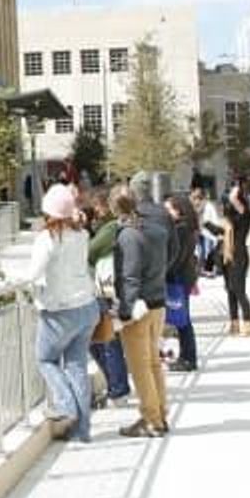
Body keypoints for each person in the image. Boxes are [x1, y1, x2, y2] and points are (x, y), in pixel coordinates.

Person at [28, 183, 97, 442]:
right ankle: (82, 431)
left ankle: (67, 408)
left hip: (60, 311)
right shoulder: (82, 236)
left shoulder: (47, 239)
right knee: (77, 365)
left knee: (45, 359)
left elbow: (33, 274)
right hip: (87, 307)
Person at [112, 187, 170, 438]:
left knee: (140, 366)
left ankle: (151, 419)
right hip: (158, 301)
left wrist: (124, 311)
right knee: (154, 363)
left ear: (116, 208)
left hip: (139, 308)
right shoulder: (157, 230)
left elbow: (129, 276)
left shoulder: (128, 235)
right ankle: (160, 414)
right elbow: (170, 258)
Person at [85, 188, 131, 404]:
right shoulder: (113, 226)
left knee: (105, 341)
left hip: (107, 290)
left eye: (97, 206)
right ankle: (117, 385)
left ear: (106, 206)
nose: (95, 210)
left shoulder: (111, 228)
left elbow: (90, 252)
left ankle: (118, 388)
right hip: (110, 288)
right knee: (103, 340)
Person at [163, 192, 202, 374]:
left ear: (178, 210)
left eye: (168, 208)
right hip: (184, 276)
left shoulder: (180, 229)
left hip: (178, 276)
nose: (165, 212)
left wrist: (165, 270)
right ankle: (187, 357)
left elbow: (176, 256)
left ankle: (188, 358)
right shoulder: (188, 227)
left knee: (182, 320)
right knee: (183, 319)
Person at [219, 175, 250, 336]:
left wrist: (238, 185)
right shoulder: (229, 220)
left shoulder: (245, 213)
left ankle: (248, 323)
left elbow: (234, 197)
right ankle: (234, 323)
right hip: (227, 255)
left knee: (239, 289)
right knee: (230, 290)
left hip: (239, 254)